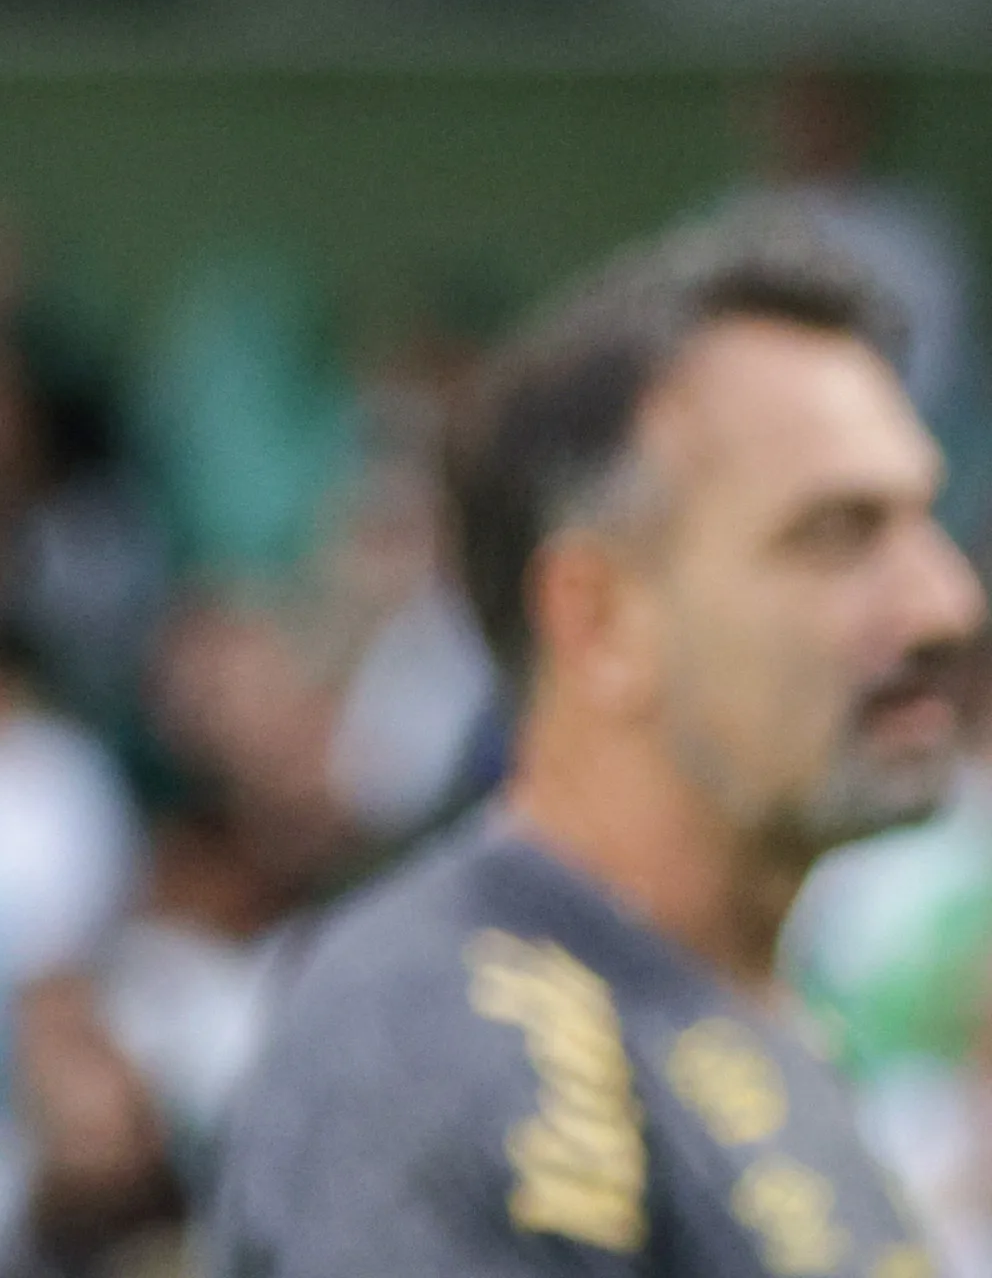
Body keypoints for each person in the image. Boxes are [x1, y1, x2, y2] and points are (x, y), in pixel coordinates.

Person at [207, 220, 983, 1276]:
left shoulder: (738, 1016)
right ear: (600, 618)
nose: (945, 602)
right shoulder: (445, 1039)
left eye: (924, 519)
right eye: (838, 534)